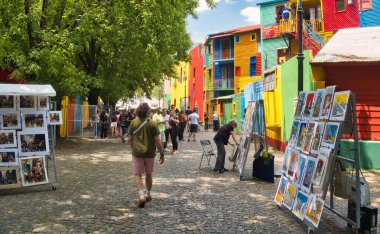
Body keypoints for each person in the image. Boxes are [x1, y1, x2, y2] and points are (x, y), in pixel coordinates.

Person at [128, 103, 165, 208]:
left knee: (137, 175)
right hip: (150, 153)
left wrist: (133, 148)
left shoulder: (133, 123)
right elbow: (157, 140)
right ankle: (148, 194)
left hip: (137, 153)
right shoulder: (153, 123)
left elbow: (130, 139)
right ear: (148, 111)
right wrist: (161, 153)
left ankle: (141, 195)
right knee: (149, 174)